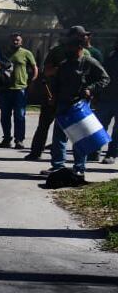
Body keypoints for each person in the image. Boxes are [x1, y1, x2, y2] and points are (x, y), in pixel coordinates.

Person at [43, 27, 110, 182]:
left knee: (80, 139)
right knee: (59, 138)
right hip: (62, 104)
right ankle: (58, 167)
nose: (67, 49)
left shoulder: (89, 62)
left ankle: (79, 169)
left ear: (79, 47)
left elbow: (105, 79)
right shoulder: (65, 64)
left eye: (70, 46)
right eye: (67, 46)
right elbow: (57, 82)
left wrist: (90, 89)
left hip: (79, 106)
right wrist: (52, 97)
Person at [0, 33, 37, 149]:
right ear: (10, 41)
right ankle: (6, 139)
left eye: (17, 40)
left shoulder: (26, 53)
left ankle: (19, 140)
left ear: (21, 42)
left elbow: (35, 68)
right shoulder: (4, 54)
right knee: (5, 116)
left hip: (20, 89)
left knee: (19, 116)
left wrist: (32, 82)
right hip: (5, 89)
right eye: (13, 40)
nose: (15, 42)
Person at [99, 38, 118, 164]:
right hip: (106, 97)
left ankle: (112, 154)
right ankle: (95, 151)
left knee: (117, 130)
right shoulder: (111, 56)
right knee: (100, 126)